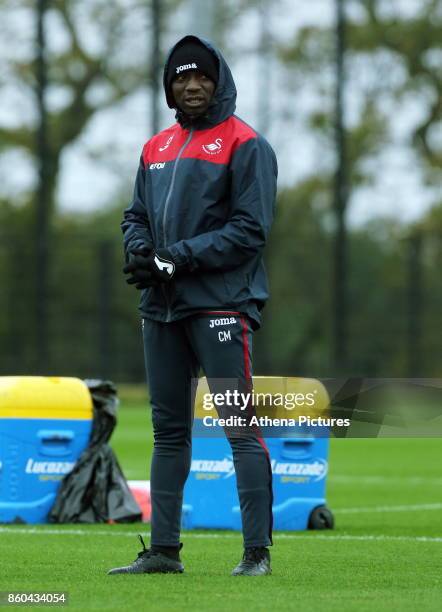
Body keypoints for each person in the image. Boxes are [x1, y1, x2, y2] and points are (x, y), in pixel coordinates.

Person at [108, 35, 277, 577]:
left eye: (201, 76)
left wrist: (173, 260)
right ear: (169, 86)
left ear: (218, 80)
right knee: (169, 432)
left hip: (222, 305)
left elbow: (250, 231)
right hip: (161, 309)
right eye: (180, 77)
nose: (191, 85)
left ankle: (256, 554)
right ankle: (163, 552)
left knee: (238, 427)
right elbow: (135, 215)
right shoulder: (155, 147)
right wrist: (140, 251)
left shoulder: (245, 143)